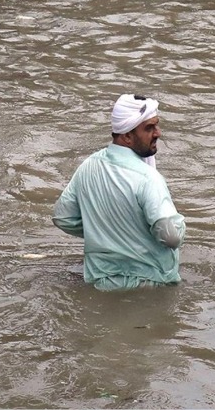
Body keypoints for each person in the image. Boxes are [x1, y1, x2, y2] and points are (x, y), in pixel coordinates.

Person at [51, 94, 185, 291]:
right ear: (127, 136)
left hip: (100, 283)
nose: (158, 133)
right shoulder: (148, 179)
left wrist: (101, 231)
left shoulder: (88, 166)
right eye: (149, 128)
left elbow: (63, 217)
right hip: (150, 288)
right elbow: (171, 237)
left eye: (156, 126)